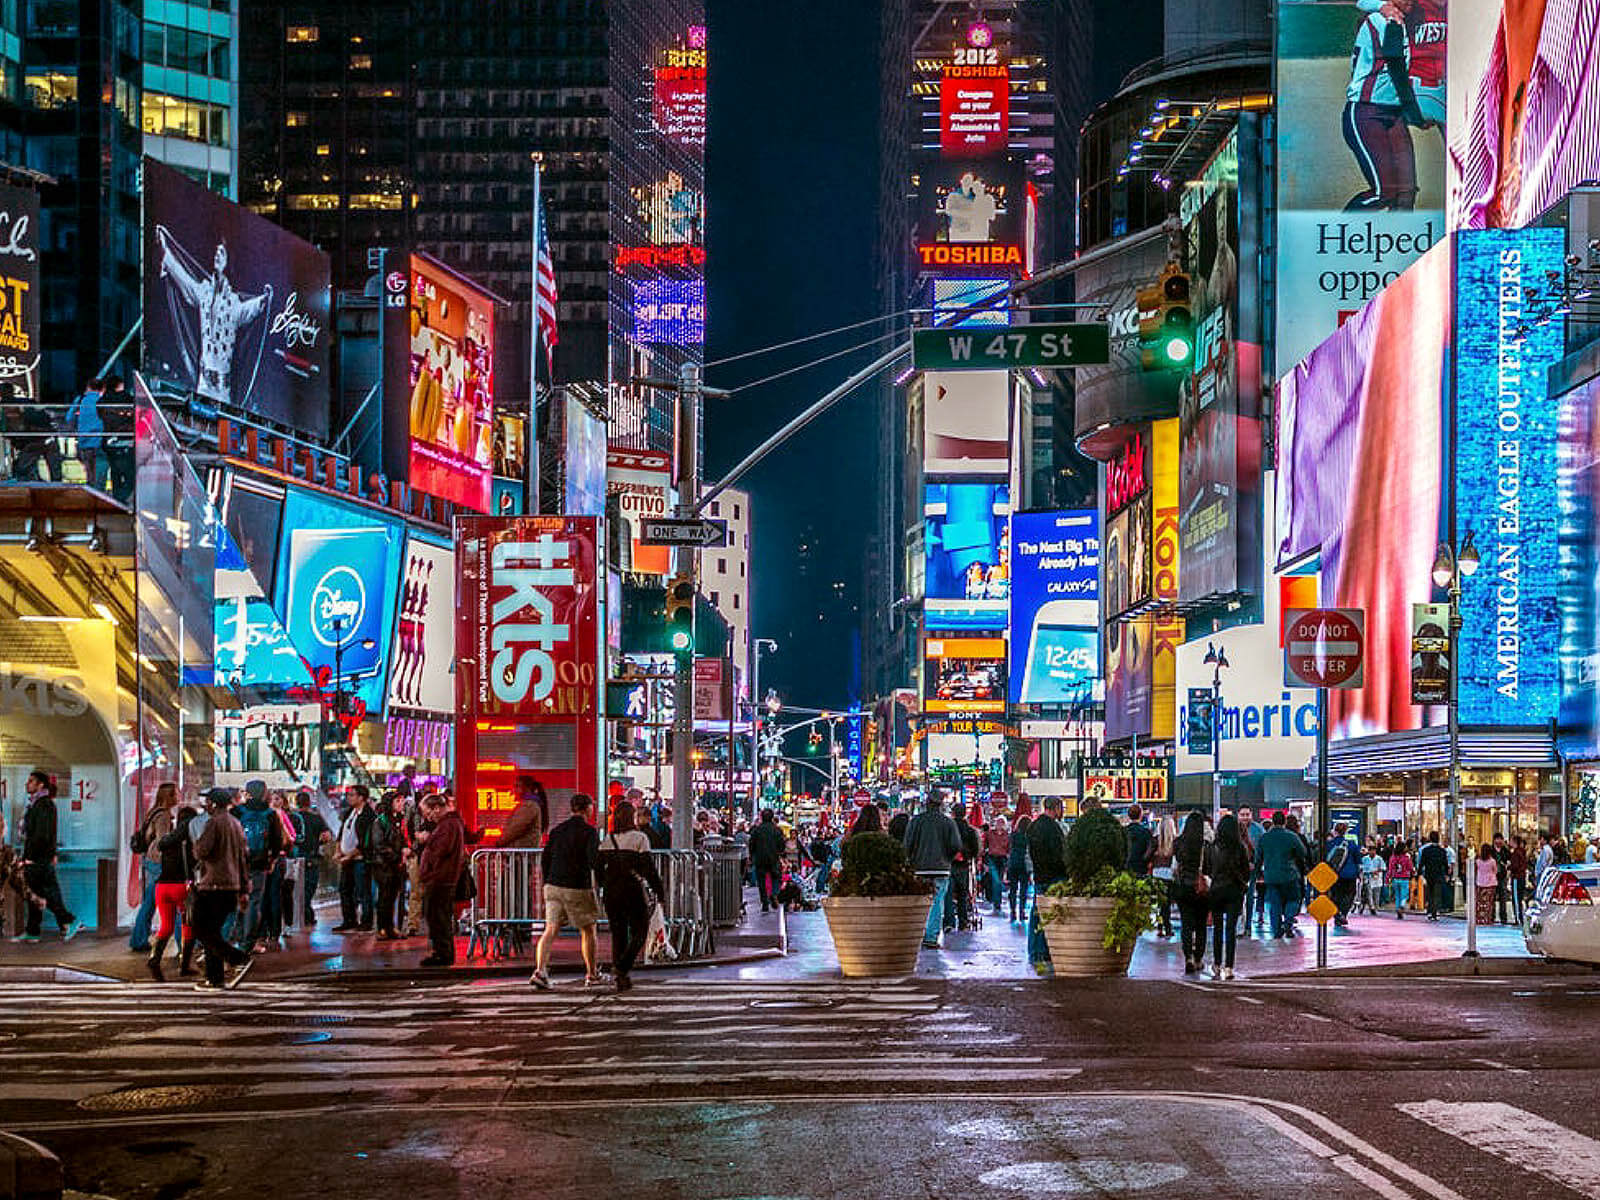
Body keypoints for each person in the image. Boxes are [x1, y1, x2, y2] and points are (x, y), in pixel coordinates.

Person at [530, 793, 603, 989]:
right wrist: (601, 881)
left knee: (550, 929)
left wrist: (548, 880)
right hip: (577, 886)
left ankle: (540, 970)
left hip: (553, 885)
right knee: (588, 929)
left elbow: (546, 858)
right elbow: (593, 861)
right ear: (587, 809)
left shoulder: (557, 830)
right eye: (591, 806)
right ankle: (592, 973)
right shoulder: (589, 832)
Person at [596, 799, 664, 992]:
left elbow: (597, 868)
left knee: (618, 933)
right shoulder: (640, 838)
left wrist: (603, 884)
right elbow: (649, 869)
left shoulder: (608, 840)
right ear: (631, 817)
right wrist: (659, 891)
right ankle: (623, 966)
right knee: (640, 929)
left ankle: (621, 976)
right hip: (632, 889)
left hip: (611, 891)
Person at [190, 788, 254, 990]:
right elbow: (243, 858)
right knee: (213, 932)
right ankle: (215, 977)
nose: (205, 805)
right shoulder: (236, 824)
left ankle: (237, 958)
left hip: (214, 884)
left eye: (207, 801)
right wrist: (244, 888)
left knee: (200, 928)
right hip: (232, 885)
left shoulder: (214, 823)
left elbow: (202, 851)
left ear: (214, 804)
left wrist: (195, 845)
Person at [13, 769, 80, 944]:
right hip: (38, 857)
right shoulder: (37, 804)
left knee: (46, 894)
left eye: (31, 781)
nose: (27, 784)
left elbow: (41, 835)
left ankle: (69, 920)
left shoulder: (44, 805)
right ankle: (33, 930)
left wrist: (30, 857)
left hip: (38, 859)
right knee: (35, 893)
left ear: (40, 784)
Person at [146, 802, 198, 982]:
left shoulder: (168, 840)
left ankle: (154, 958)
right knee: (188, 925)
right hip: (181, 887)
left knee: (166, 926)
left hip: (162, 887)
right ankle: (185, 965)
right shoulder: (190, 842)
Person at [903, 791, 961, 950]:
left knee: (920, 902)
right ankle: (931, 936)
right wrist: (947, 857)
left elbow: (907, 845)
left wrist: (911, 860)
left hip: (919, 868)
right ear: (941, 804)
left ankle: (919, 933)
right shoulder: (948, 822)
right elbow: (956, 845)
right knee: (937, 902)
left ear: (926, 803)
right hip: (941, 868)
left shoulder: (916, 821)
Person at [417, 792, 466, 967]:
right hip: (441, 877)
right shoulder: (450, 824)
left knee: (438, 918)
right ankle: (442, 952)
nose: (428, 818)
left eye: (428, 813)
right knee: (437, 917)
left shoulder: (448, 825)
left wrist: (427, 841)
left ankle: (443, 954)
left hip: (440, 879)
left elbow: (441, 850)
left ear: (437, 808)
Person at [129, 782, 179, 952]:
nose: (178, 797)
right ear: (169, 796)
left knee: (149, 902)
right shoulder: (163, 815)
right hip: (157, 862)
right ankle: (139, 939)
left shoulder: (154, 812)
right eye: (176, 794)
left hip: (150, 860)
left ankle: (139, 938)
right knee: (150, 902)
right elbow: (162, 841)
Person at [235, 780, 285, 953]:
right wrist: (272, 860)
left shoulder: (237, 812)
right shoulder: (270, 814)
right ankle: (248, 943)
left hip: (237, 863)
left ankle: (235, 937)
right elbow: (277, 841)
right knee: (254, 901)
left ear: (247, 793)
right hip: (259, 863)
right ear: (264, 793)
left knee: (236, 899)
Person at [1206, 814, 1252, 981]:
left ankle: (1217, 963)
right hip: (1234, 890)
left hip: (1216, 889)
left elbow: (1206, 869)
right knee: (1231, 929)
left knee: (1217, 928)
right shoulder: (1240, 847)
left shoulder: (1212, 847)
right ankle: (1229, 966)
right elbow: (1246, 872)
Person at [1026, 798, 1068, 971]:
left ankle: (1034, 951)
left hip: (1039, 875)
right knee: (1052, 916)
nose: (1062, 811)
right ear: (1056, 808)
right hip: (1054, 876)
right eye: (1062, 808)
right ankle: (1046, 951)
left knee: (1037, 914)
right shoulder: (1053, 828)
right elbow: (1060, 854)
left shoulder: (1033, 826)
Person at [1255, 811, 1307, 940]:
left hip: (1271, 876)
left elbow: (1258, 858)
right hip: (1289, 875)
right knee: (1293, 899)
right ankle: (1288, 921)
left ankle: (1277, 931)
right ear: (1284, 822)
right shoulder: (1292, 836)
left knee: (1275, 904)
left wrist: (1258, 874)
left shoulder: (1264, 837)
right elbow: (1302, 852)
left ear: (1272, 821)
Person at [1171, 812, 1210, 975]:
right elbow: (1210, 867)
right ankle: (1199, 958)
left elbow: (1174, 867)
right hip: (1200, 889)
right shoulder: (1205, 845)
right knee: (1201, 925)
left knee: (1186, 924)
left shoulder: (1178, 843)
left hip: (1183, 887)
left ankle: (1188, 958)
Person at [333, 785, 375, 932]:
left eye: (352, 795)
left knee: (363, 891)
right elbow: (341, 833)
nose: (349, 798)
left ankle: (366, 921)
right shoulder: (349, 812)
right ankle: (349, 920)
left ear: (361, 797)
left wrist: (351, 855)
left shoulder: (368, 815)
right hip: (347, 859)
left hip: (360, 859)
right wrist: (338, 850)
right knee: (345, 889)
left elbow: (366, 841)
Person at [370, 791, 408, 940]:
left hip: (397, 865)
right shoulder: (381, 821)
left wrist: (405, 851)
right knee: (384, 897)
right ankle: (382, 928)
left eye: (402, 801)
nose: (401, 804)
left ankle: (392, 927)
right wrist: (397, 855)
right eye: (398, 801)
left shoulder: (400, 820)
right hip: (383, 865)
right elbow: (379, 844)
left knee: (394, 897)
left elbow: (403, 840)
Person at [63, 376, 106, 489]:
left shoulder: (80, 400)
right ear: (102, 389)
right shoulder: (103, 400)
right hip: (100, 439)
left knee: (88, 470)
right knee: (100, 471)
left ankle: (91, 490)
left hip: (83, 439)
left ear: (88, 387)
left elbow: (68, 418)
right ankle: (99, 494)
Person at [947, 802, 981, 932]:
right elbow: (976, 849)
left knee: (948, 895)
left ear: (953, 813)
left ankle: (949, 922)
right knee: (962, 895)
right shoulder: (970, 830)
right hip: (964, 866)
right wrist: (967, 856)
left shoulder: (948, 828)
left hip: (949, 865)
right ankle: (963, 921)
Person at [748, 809, 786, 913]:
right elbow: (782, 846)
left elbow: (751, 844)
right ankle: (774, 893)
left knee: (761, 881)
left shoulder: (757, 830)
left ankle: (765, 903)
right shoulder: (777, 830)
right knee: (776, 877)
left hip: (760, 859)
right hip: (773, 858)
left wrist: (752, 856)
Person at [1326, 822, 1361, 927]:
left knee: (1336, 895)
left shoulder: (1330, 843)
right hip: (1350, 874)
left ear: (1334, 830)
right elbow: (1358, 859)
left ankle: (1337, 914)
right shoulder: (1351, 844)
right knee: (1349, 895)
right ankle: (1343, 914)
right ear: (1346, 831)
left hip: (1335, 874)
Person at [498, 775, 547, 849]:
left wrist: (500, 842)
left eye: (517, 786)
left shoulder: (529, 806)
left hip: (521, 853)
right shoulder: (528, 805)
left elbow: (516, 828)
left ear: (527, 788)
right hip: (520, 852)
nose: (514, 790)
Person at [1152, 814, 1178, 938]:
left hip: (1157, 873)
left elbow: (1146, 856)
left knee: (1160, 903)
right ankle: (1167, 927)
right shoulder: (1176, 841)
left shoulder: (1155, 840)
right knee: (1167, 903)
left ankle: (1161, 926)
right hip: (1170, 873)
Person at [1417, 831, 1448, 920]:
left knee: (1429, 893)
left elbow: (1421, 863)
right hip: (1438, 874)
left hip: (1429, 874)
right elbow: (1445, 863)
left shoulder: (1426, 850)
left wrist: (1419, 873)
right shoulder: (1442, 851)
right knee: (1437, 893)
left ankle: (1430, 911)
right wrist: (1446, 874)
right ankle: (1436, 911)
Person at [983, 814, 1009, 914]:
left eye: (1002, 822)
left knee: (999, 881)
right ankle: (996, 903)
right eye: (998, 822)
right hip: (992, 858)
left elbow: (1008, 849)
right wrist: (983, 862)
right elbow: (984, 847)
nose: (1000, 824)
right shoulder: (989, 833)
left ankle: (997, 903)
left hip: (1002, 859)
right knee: (996, 881)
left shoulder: (1007, 835)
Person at [1388, 839, 1416, 919]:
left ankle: (1397, 909)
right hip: (1404, 878)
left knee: (1397, 895)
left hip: (1395, 878)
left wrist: (1389, 878)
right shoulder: (1406, 858)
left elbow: (1390, 868)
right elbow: (1410, 867)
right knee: (1404, 895)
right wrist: (1413, 872)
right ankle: (1402, 905)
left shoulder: (1393, 858)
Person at [1124, 804, 1155, 878]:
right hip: (1141, 868)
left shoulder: (1124, 831)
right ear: (1141, 815)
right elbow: (1150, 849)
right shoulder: (1146, 832)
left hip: (1127, 868)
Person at [1474, 843, 1499, 926]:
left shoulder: (1477, 861)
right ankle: (1488, 919)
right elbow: (1495, 871)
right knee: (1489, 903)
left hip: (1480, 882)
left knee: (1480, 902)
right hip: (1491, 883)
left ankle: (1479, 919)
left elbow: (1476, 870)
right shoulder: (1492, 861)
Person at [1360, 843, 1387, 915]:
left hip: (1377, 878)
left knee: (1376, 894)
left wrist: (1377, 871)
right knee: (1369, 893)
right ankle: (1372, 907)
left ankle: (1376, 906)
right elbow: (1361, 867)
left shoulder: (1379, 859)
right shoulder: (1365, 859)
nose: (1372, 852)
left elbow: (1384, 868)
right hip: (1368, 878)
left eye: (1374, 850)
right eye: (1371, 850)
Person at [1508, 835, 1530, 925]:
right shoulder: (1522, 852)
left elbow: (1515, 866)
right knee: (1519, 898)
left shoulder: (1516, 853)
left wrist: (1509, 867)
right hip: (1521, 877)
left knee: (1516, 899)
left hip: (1517, 877)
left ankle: (1518, 918)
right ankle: (1520, 917)